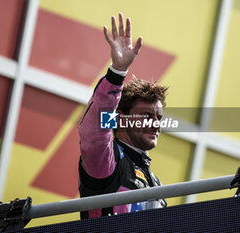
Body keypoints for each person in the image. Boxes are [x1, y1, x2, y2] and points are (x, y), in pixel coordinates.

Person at [78, 13, 168, 219]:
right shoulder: (106, 160)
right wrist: (118, 71)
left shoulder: (155, 182)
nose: (155, 124)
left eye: (159, 118)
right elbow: (93, 131)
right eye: (146, 116)